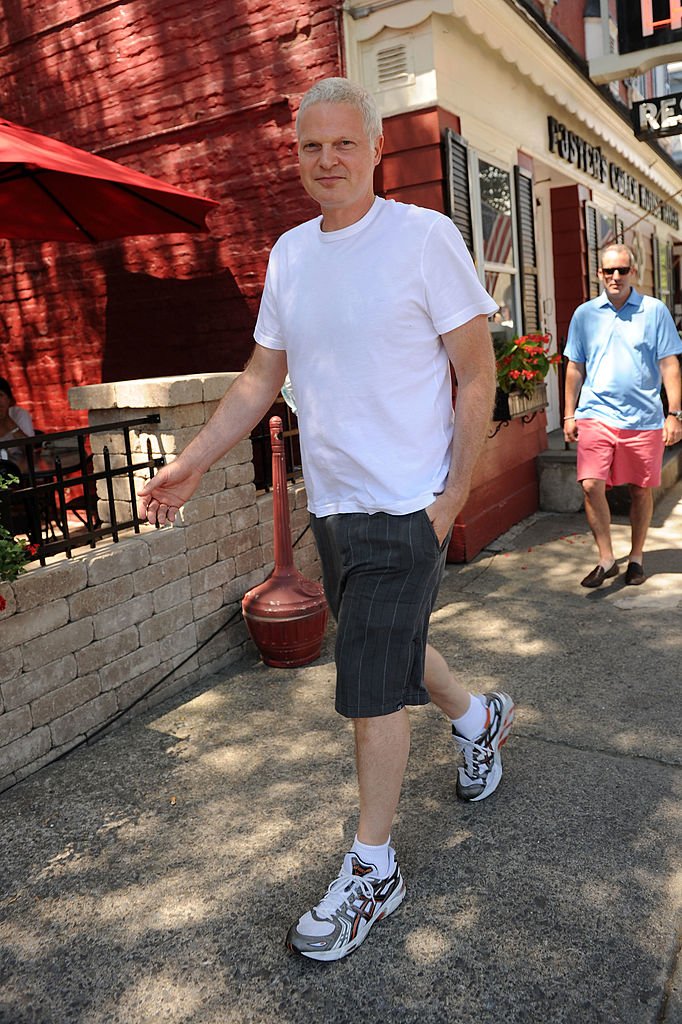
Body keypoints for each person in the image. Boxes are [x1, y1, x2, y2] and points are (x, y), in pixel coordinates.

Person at [138, 77, 514, 962]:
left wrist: (450, 501)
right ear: (297, 154)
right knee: (392, 647)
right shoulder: (291, 255)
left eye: (343, 144)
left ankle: (374, 866)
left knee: (366, 683)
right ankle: (478, 720)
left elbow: (477, 373)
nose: (327, 160)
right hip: (337, 506)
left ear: (374, 148)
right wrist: (192, 462)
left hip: (410, 502)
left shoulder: (425, 238)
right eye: (311, 146)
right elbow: (262, 378)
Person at [563, 242, 682, 588]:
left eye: (622, 270)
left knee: (640, 491)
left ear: (633, 272)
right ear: (599, 273)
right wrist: (569, 414)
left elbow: (669, 363)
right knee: (590, 485)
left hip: (643, 418)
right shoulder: (585, 314)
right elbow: (574, 366)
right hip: (595, 413)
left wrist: (674, 413)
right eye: (608, 271)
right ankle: (605, 558)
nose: (615, 276)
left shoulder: (654, 311)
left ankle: (636, 557)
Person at [0, 376, 33, 459]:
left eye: (0, 395)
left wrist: (7, 420)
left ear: (9, 399)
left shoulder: (19, 414)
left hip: (20, 469)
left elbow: (29, 450)